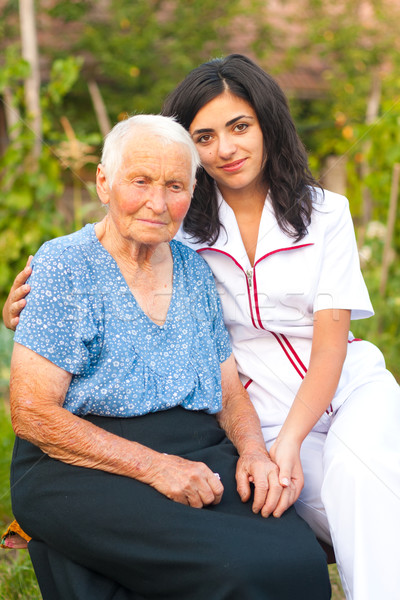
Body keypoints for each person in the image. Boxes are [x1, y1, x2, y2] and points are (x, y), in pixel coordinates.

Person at [3, 114, 331, 600]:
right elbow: (30, 413)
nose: (158, 203)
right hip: (78, 459)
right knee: (233, 572)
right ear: (103, 182)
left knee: (299, 562)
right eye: (140, 181)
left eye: (175, 185)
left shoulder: (194, 273)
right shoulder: (64, 265)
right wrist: (156, 468)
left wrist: (254, 453)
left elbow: (226, 390)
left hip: (196, 449)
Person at [161, 55, 400, 600]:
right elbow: (109, 245)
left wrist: (291, 441)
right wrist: (31, 295)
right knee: (337, 505)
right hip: (259, 413)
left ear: (267, 123)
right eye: (205, 136)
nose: (226, 149)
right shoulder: (180, 235)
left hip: (349, 390)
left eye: (239, 126)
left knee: (359, 476)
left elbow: (331, 345)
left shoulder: (325, 215)